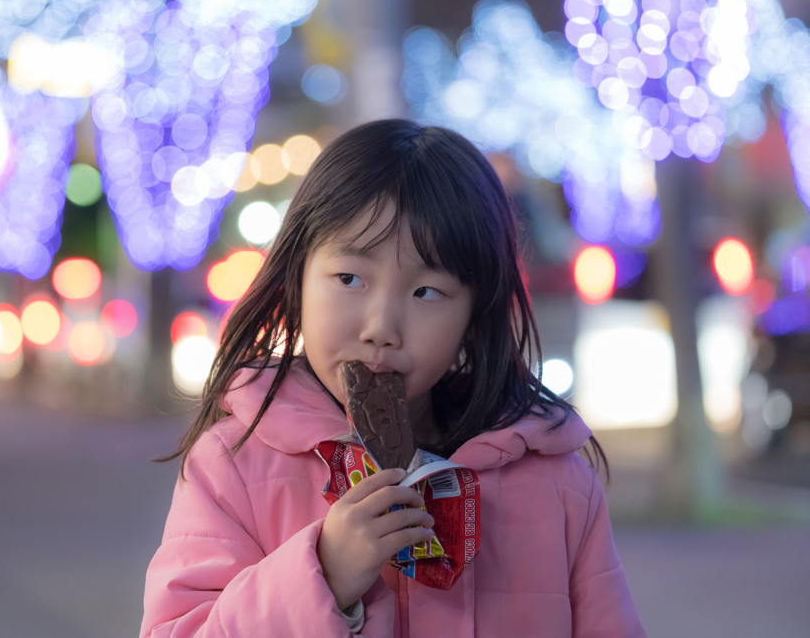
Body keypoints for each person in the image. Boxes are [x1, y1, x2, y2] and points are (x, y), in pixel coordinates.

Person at [140, 119, 645, 636]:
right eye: (350, 278)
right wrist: (323, 575)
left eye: (426, 292)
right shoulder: (234, 467)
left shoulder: (558, 486)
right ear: (297, 280)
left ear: (475, 316)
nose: (381, 328)